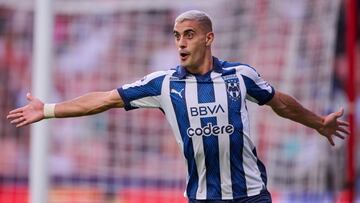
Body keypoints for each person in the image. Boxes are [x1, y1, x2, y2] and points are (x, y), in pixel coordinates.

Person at [7, 10, 349, 203]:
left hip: (252, 197)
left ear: (208, 38)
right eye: (176, 35)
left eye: (188, 34)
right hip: (203, 199)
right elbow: (104, 99)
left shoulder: (240, 76)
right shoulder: (164, 84)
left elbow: (280, 103)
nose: (181, 43)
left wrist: (318, 122)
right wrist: (49, 109)